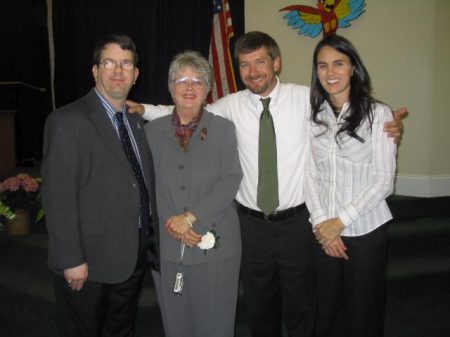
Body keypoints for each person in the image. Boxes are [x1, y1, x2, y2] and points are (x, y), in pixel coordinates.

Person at [128, 31, 405, 337]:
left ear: (276, 62)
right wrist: (144, 109)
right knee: (260, 307)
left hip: (298, 223)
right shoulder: (231, 105)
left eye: (260, 61)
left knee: (302, 307)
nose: (253, 71)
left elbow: (349, 107)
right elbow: (187, 111)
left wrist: (386, 123)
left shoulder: (307, 99)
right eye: (245, 65)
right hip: (251, 225)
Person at [41, 34, 159, 337]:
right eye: (109, 62)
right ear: (95, 71)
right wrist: (71, 260)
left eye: (126, 63)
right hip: (88, 261)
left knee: (120, 330)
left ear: (136, 74)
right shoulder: (67, 121)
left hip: (131, 255)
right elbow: (58, 197)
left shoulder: (136, 123)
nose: (118, 70)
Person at [145, 50, 242, 337]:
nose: (189, 87)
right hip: (167, 241)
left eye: (198, 80)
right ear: (170, 87)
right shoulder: (151, 132)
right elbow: (149, 186)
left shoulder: (224, 129)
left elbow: (231, 179)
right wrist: (175, 225)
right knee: (176, 324)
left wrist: (192, 219)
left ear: (208, 88)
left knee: (216, 322)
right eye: (181, 80)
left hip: (216, 242)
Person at [305, 35, 396, 337]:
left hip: (365, 233)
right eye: (322, 66)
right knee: (325, 314)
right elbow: (308, 175)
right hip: (323, 234)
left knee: (363, 318)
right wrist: (322, 224)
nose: (330, 73)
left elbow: (383, 181)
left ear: (353, 69)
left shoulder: (378, 114)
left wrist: (339, 222)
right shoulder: (312, 116)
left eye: (338, 64)